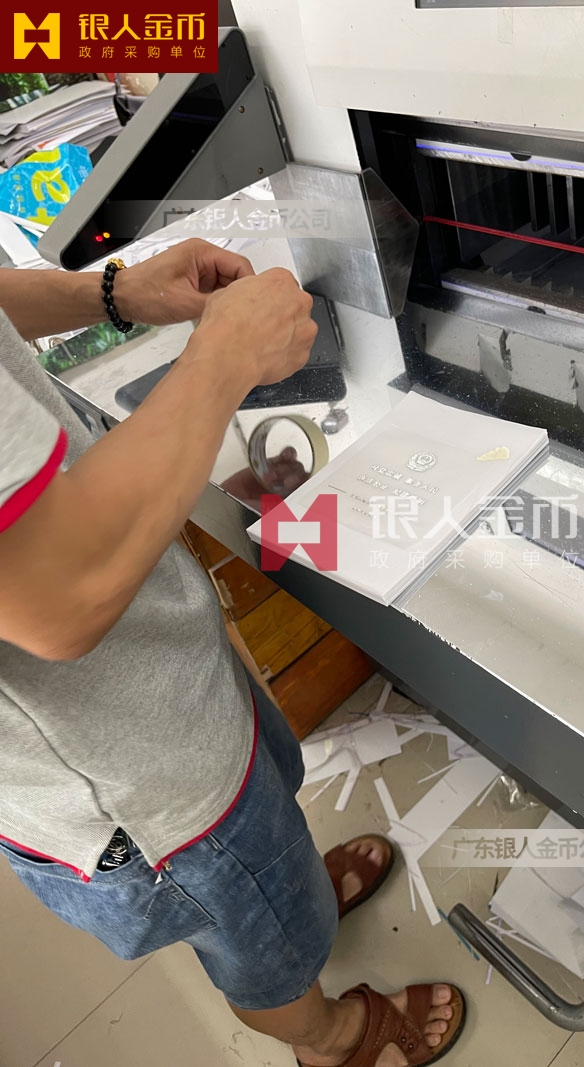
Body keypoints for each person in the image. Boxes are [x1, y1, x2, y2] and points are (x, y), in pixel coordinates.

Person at [0, 239, 465, 1067]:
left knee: (267, 852)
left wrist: (112, 293)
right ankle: (330, 1038)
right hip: (135, 779)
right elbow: (56, 596)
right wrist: (222, 359)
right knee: (261, 951)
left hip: (159, 693)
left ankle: (293, 898)